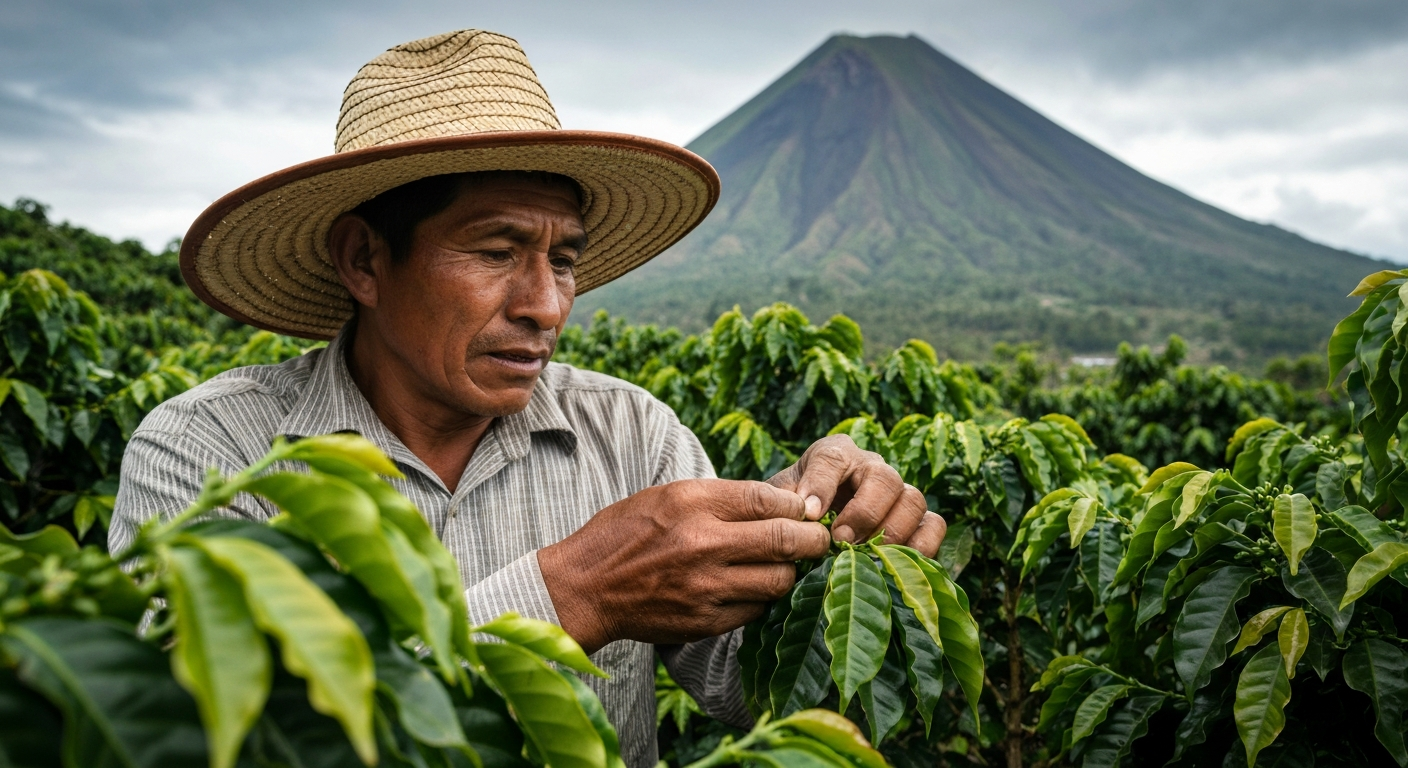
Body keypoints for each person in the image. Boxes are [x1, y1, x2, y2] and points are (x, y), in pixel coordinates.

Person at [110, 29, 946, 767]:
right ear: (364, 260)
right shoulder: (214, 452)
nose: (545, 305)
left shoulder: (633, 435)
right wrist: (574, 594)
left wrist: (840, 552)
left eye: (565, 260)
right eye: (497, 250)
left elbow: (752, 686)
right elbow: (189, 734)